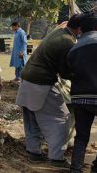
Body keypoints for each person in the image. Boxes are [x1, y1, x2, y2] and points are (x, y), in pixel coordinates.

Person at [15, 14, 82, 168]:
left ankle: (34, 153)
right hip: (42, 83)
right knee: (62, 118)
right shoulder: (68, 42)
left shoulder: (59, 32)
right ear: (79, 29)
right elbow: (65, 72)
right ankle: (57, 158)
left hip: (27, 79)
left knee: (32, 119)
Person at [67, 12, 97, 173]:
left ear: (80, 29)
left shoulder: (73, 49)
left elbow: (70, 71)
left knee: (81, 136)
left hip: (79, 97)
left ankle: (76, 169)